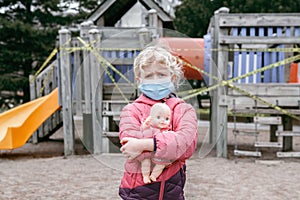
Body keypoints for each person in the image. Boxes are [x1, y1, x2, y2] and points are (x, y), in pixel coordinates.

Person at [119, 45, 198, 200]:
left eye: (161, 74)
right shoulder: (130, 110)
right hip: (136, 191)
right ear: (138, 80)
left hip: (172, 191)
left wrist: (145, 144)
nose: (155, 80)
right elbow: (129, 145)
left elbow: (186, 145)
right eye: (149, 76)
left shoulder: (183, 109)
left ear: (172, 77)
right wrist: (169, 144)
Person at [140, 102, 172, 184]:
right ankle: (146, 176)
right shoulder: (150, 128)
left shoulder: (167, 131)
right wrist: (145, 126)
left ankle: (154, 175)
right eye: (158, 117)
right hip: (148, 152)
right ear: (151, 118)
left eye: (167, 119)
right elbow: (141, 133)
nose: (163, 121)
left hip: (160, 154)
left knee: (162, 164)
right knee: (145, 161)